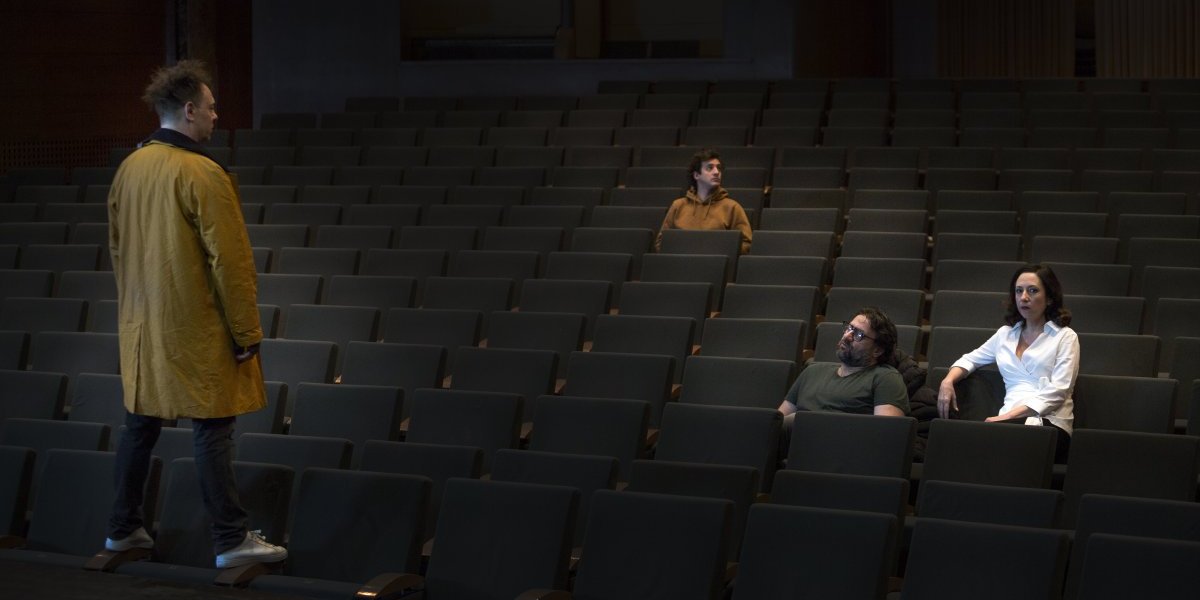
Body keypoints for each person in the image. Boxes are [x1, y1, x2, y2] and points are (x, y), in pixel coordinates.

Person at [104, 60, 287, 569]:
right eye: (210, 107)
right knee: (213, 429)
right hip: (196, 325)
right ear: (188, 110)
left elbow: (118, 251)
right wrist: (246, 333)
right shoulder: (203, 172)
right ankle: (230, 540)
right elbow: (231, 262)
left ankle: (123, 529)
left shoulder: (130, 167)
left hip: (144, 327)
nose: (215, 115)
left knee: (139, 425)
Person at [936, 263, 1078, 461]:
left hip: (1050, 423)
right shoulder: (1005, 335)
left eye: (1033, 290)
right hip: (1008, 422)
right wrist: (948, 381)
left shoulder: (1065, 336)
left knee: (980, 445)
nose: (1024, 297)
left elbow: (1058, 391)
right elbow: (970, 359)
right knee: (957, 443)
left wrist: (1007, 417)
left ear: (1050, 298)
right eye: (1019, 291)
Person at [778, 307, 911, 419]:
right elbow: (777, 424)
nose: (847, 336)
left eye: (858, 334)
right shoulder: (811, 371)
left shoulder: (886, 378)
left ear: (877, 350)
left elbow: (885, 434)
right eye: (849, 328)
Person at [654, 148, 753, 254]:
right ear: (696, 175)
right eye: (710, 168)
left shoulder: (732, 207)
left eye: (719, 168)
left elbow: (746, 244)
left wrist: (717, 252)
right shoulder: (678, 205)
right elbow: (661, 243)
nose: (716, 172)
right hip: (681, 262)